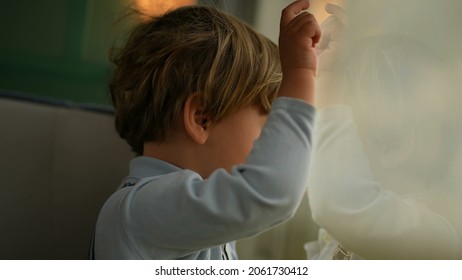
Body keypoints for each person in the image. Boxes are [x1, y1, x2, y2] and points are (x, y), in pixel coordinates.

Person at [92, 0, 321, 259]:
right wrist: (300, 72)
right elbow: (273, 190)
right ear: (202, 119)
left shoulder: (190, 216)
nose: (275, 144)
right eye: (270, 126)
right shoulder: (141, 210)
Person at [305, 3, 462, 259]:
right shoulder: (346, 232)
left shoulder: (434, 238)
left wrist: (329, 76)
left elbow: (336, 201)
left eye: (334, 126)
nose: (318, 143)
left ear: (392, 144)